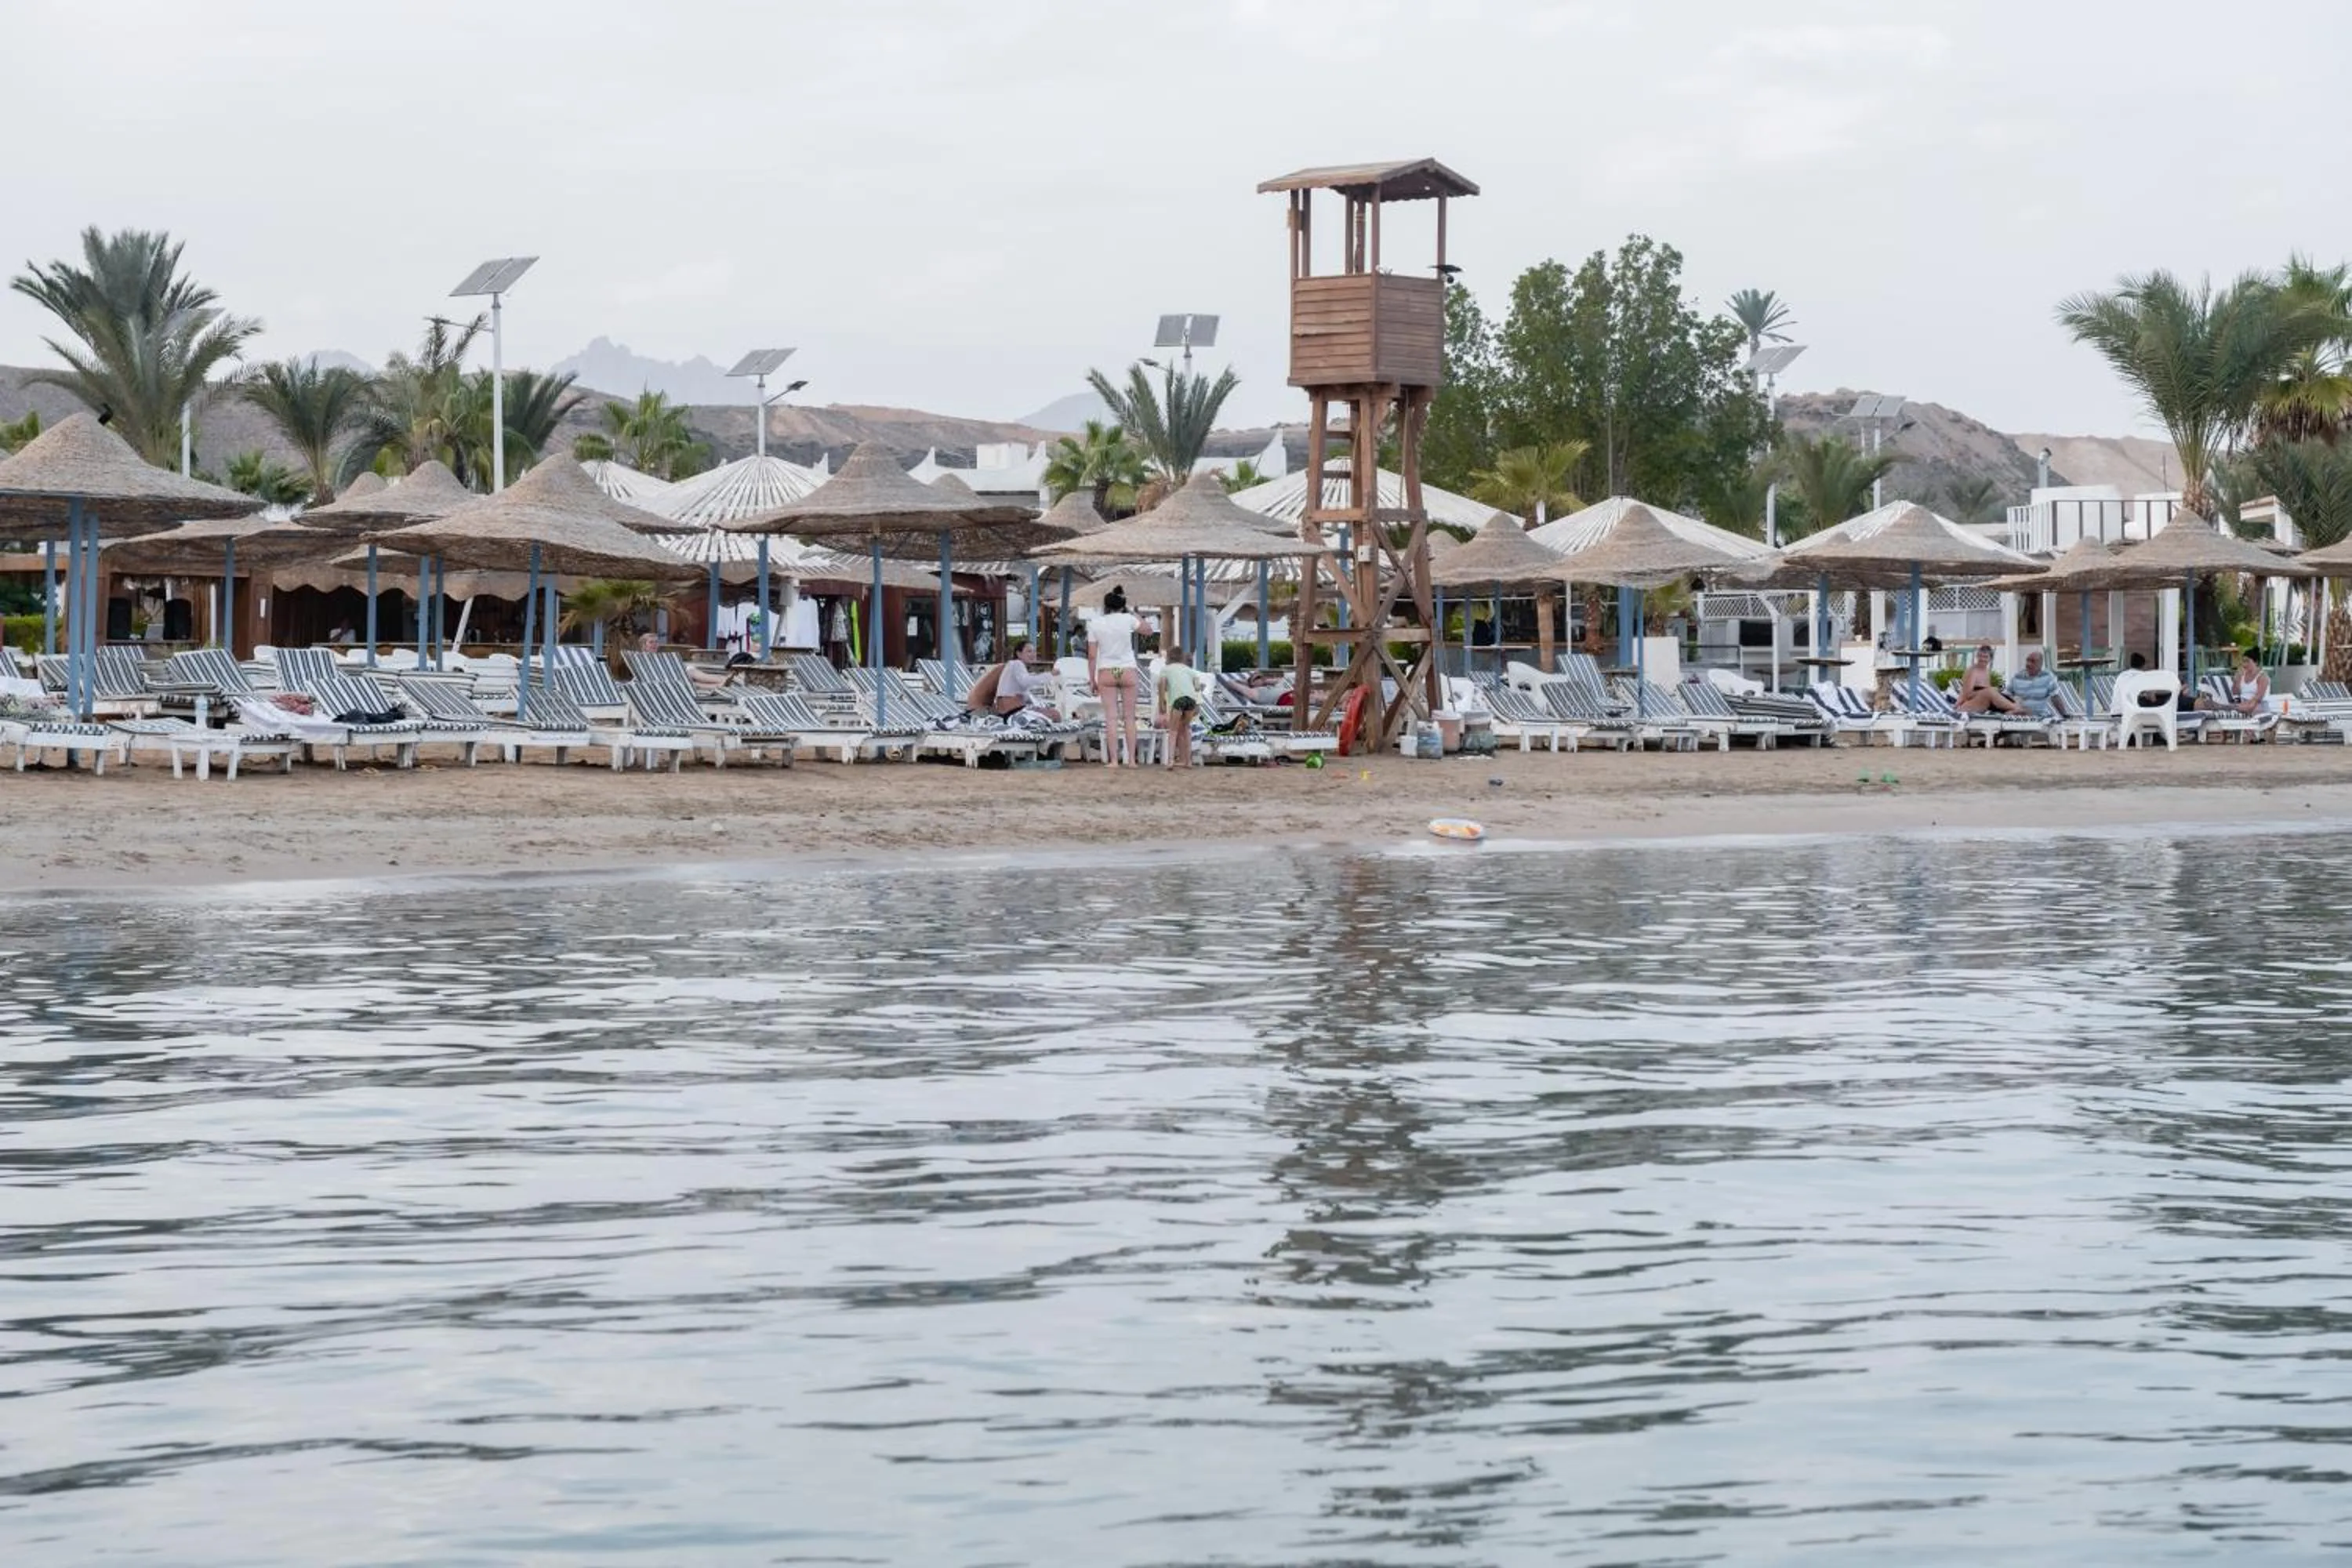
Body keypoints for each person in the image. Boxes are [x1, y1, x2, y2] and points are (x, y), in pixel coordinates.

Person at [1087, 586, 1143, 767]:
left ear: (1106, 605)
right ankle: (1132, 761)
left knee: (1111, 717)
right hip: (1127, 670)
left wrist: (1092, 678)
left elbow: (1092, 655)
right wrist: (1133, 613)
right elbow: (1148, 630)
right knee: (1129, 717)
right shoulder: (1128, 619)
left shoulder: (1095, 623)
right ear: (1122, 605)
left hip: (1107, 671)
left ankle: (1113, 761)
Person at [968, 638, 1057, 720]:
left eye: (1034, 651)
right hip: (1011, 709)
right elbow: (1025, 682)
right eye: (1029, 651)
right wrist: (1049, 675)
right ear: (1019, 654)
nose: (1033, 654)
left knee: (1050, 712)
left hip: (1005, 709)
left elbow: (1020, 690)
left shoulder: (1011, 667)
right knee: (1055, 714)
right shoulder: (1017, 664)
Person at [1156, 644, 1200, 770]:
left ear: (1168, 657)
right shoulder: (1190, 670)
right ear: (1182, 657)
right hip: (1191, 701)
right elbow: (1197, 687)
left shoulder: (1166, 669)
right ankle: (1188, 761)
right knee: (1186, 730)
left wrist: (1161, 704)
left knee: (1173, 730)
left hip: (1178, 700)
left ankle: (1170, 761)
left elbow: (1162, 686)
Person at [1952, 643, 2025, 715]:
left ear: (1990, 659)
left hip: (1983, 703)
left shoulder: (1986, 672)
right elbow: (1967, 695)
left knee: (2016, 699)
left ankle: (2012, 711)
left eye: (1985, 657)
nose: (1982, 659)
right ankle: (2016, 708)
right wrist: (1989, 691)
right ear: (1977, 656)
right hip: (1967, 705)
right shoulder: (1973, 671)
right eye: (1980, 656)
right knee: (1990, 691)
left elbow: (1987, 694)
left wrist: (1994, 691)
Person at [2197, 650, 2270, 716]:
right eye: (2243, 661)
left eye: (2247, 661)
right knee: (2217, 705)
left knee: (2224, 707)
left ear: (2256, 662)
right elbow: (2235, 693)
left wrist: (2239, 706)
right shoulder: (2242, 675)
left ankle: (2223, 707)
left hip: (2257, 706)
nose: (2244, 664)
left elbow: (2257, 699)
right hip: (2242, 705)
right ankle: (2221, 707)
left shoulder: (2262, 677)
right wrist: (2236, 681)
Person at [2005, 648, 2060, 718]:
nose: (2028, 664)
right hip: (2019, 714)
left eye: (2033, 661)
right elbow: (2007, 695)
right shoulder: (2017, 677)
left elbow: (2055, 697)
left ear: (2040, 664)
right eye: (2027, 660)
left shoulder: (2048, 677)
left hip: (2040, 716)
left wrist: (2064, 715)